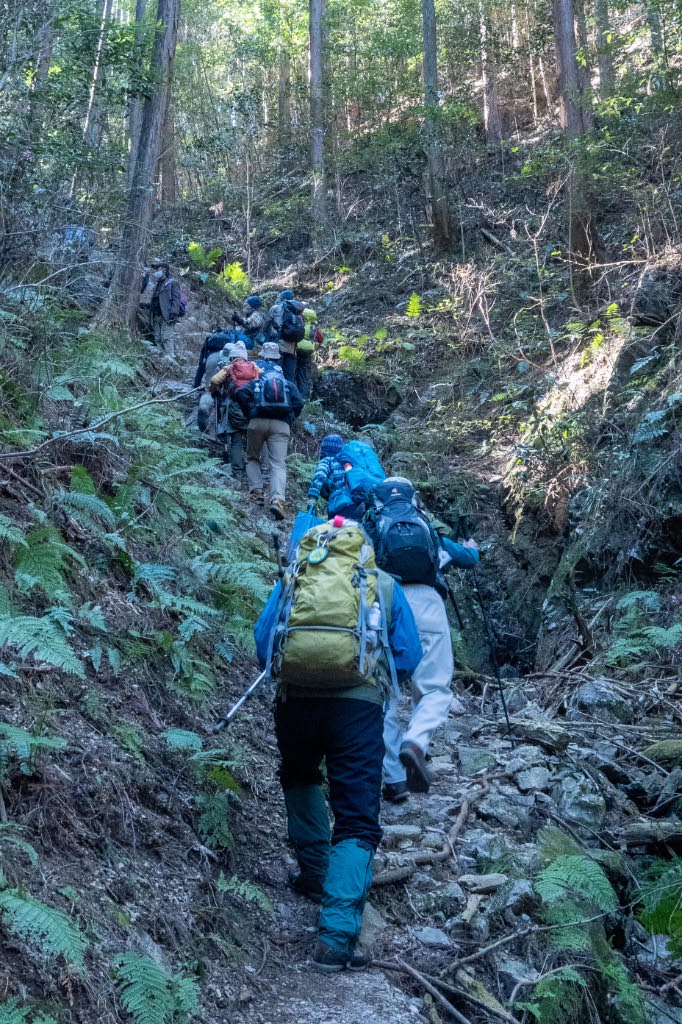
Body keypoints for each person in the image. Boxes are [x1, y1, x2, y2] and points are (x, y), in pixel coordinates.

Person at [254, 517, 422, 972]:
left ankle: (314, 875)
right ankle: (335, 938)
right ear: (364, 549)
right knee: (357, 819)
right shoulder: (381, 584)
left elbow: (263, 642)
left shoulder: (294, 580)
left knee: (302, 778)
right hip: (358, 710)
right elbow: (408, 654)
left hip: (295, 705)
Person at [364, 477, 480, 803]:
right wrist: (471, 548)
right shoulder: (426, 527)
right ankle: (415, 741)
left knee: (384, 693)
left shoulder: (371, 525)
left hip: (385, 605)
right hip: (428, 605)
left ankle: (395, 779)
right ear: (414, 499)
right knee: (435, 688)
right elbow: (469, 559)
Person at [233, 341, 303, 520]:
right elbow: (299, 402)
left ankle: (256, 492)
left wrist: (250, 412)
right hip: (281, 425)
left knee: (252, 458)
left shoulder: (258, 381)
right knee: (278, 464)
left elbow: (240, 394)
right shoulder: (287, 383)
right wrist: (290, 418)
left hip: (257, 422)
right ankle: (277, 501)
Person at [209, 341, 262, 479]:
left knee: (236, 438)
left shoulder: (229, 368)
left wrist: (212, 391)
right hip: (251, 407)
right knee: (250, 438)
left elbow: (215, 381)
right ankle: (253, 469)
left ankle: (237, 470)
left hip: (234, 407)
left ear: (232, 357)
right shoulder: (254, 367)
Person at [307, 434, 366, 522]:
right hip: (357, 503)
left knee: (337, 531)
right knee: (352, 531)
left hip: (339, 505)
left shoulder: (327, 460)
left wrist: (312, 497)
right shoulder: (348, 462)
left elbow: (319, 476)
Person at [265, 289, 306, 384]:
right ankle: (290, 396)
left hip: (277, 346)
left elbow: (266, 324)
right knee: (289, 376)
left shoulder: (275, 308)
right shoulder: (298, 311)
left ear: (281, 298)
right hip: (292, 348)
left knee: (275, 372)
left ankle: (276, 395)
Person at [149, 261, 181, 359]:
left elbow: (176, 299)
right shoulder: (157, 284)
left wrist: (173, 312)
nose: (155, 272)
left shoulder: (172, 283)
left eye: (157, 270)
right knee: (157, 337)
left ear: (164, 270)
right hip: (156, 315)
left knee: (166, 338)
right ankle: (162, 359)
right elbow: (156, 299)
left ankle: (170, 359)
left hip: (167, 316)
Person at [294, 306, 319, 399]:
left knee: (294, 371)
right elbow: (320, 338)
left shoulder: (299, 323)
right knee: (303, 373)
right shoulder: (314, 326)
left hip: (297, 349)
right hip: (308, 351)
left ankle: (293, 395)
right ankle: (304, 396)